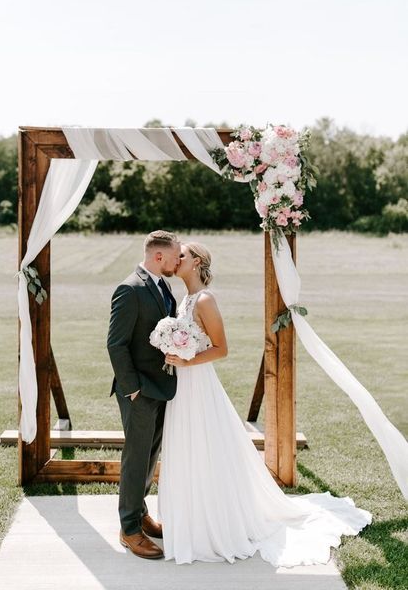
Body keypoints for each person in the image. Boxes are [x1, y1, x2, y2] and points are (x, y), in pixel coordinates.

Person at [158, 242, 372, 567]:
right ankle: (192, 514)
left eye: (182, 255)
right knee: (189, 446)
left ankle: (215, 521)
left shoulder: (204, 299)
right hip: (183, 386)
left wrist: (188, 362)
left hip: (199, 383)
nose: (177, 259)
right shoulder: (185, 300)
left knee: (206, 444)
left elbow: (221, 348)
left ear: (197, 261)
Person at [107, 230, 181, 560]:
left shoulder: (163, 285)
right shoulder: (129, 288)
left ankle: (140, 513)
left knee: (150, 457)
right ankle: (129, 530)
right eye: (176, 255)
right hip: (139, 390)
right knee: (136, 459)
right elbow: (116, 344)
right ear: (158, 257)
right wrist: (132, 388)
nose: (180, 260)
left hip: (161, 387)